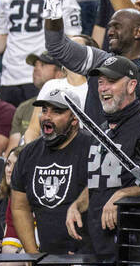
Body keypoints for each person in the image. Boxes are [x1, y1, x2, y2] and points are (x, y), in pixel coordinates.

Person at [66, 55, 140, 260]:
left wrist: (121, 195)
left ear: (131, 85)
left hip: (134, 242)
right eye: (100, 82)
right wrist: (78, 205)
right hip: (97, 241)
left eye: (111, 81)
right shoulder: (101, 129)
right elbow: (99, 181)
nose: (103, 88)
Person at [10, 82, 92, 257]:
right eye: (45, 110)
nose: (47, 116)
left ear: (75, 119)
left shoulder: (92, 149)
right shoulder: (28, 153)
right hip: (47, 254)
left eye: (57, 111)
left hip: (87, 253)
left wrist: (88, 253)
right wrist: (33, 255)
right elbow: (19, 207)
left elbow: (101, 195)